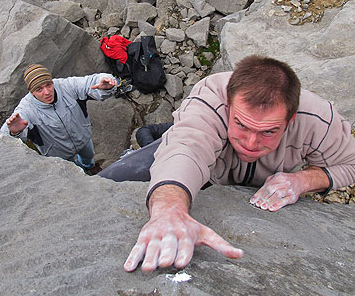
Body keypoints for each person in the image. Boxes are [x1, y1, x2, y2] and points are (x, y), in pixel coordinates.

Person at [123, 55, 355, 273]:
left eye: (269, 131)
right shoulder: (211, 96)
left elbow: (351, 163)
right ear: (228, 106)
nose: (251, 143)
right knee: (114, 177)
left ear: (290, 119)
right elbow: (186, 150)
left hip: (257, 184)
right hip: (200, 165)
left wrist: (305, 179)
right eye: (242, 125)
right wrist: (169, 209)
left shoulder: (317, 118)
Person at [0, 64, 118, 175]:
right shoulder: (26, 109)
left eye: (48, 85)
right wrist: (14, 133)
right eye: (39, 89)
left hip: (82, 137)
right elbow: (2, 140)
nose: (47, 92)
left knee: (89, 155)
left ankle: (88, 166)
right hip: (58, 154)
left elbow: (91, 81)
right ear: (31, 92)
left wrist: (106, 82)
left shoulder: (65, 86)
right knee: (69, 172)